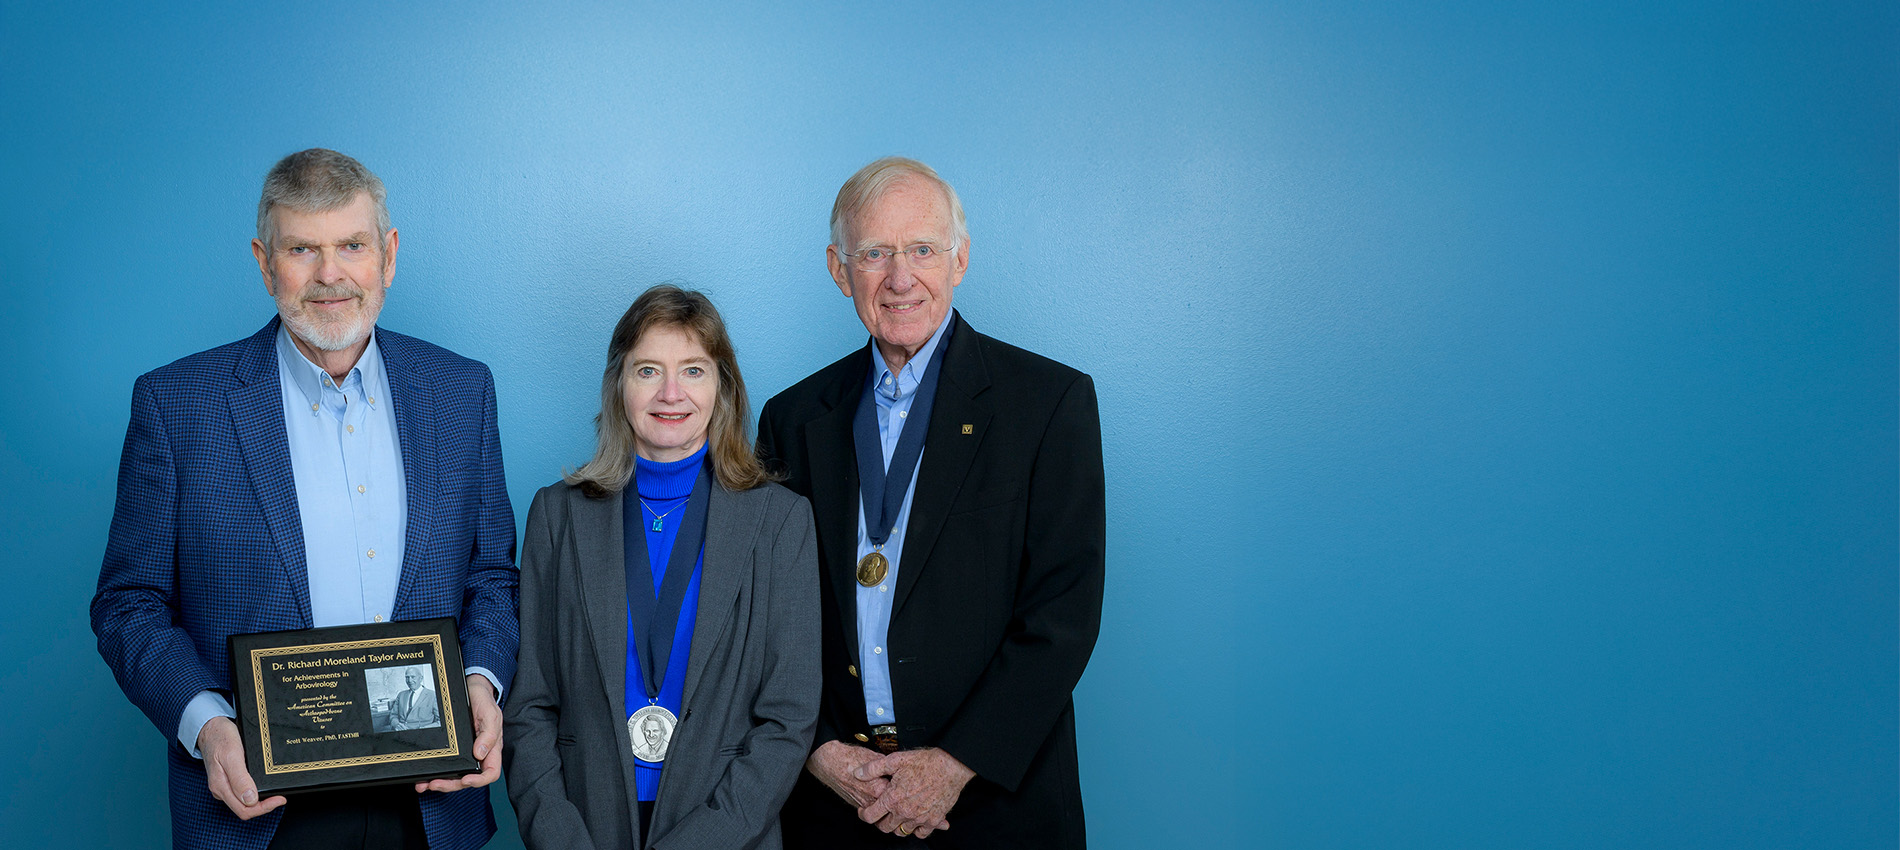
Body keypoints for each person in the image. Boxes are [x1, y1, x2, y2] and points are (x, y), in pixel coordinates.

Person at [90, 149, 518, 850]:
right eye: (302, 250)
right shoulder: (177, 405)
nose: (330, 275)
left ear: (389, 254)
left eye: (352, 245)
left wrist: (480, 679)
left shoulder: (460, 391)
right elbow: (128, 603)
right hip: (255, 805)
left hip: (429, 805)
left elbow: (492, 575)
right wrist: (206, 723)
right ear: (265, 262)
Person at [758, 157, 1105, 848]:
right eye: (875, 253)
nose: (900, 277)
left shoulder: (1047, 404)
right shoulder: (791, 418)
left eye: (921, 249)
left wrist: (952, 766)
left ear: (960, 259)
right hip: (836, 805)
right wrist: (821, 748)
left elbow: (1062, 616)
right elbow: (768, 613)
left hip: (992, 803)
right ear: (838, 268)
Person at [504, 285, 821, 850]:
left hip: (725, 831)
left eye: (694, 370)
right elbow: (530, 708)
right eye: (648, 370)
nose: (671, 393)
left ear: (723, 386)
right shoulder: (557, 514)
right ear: (619, 384)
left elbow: (788, 720)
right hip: (585, 826)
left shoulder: (781, 521)